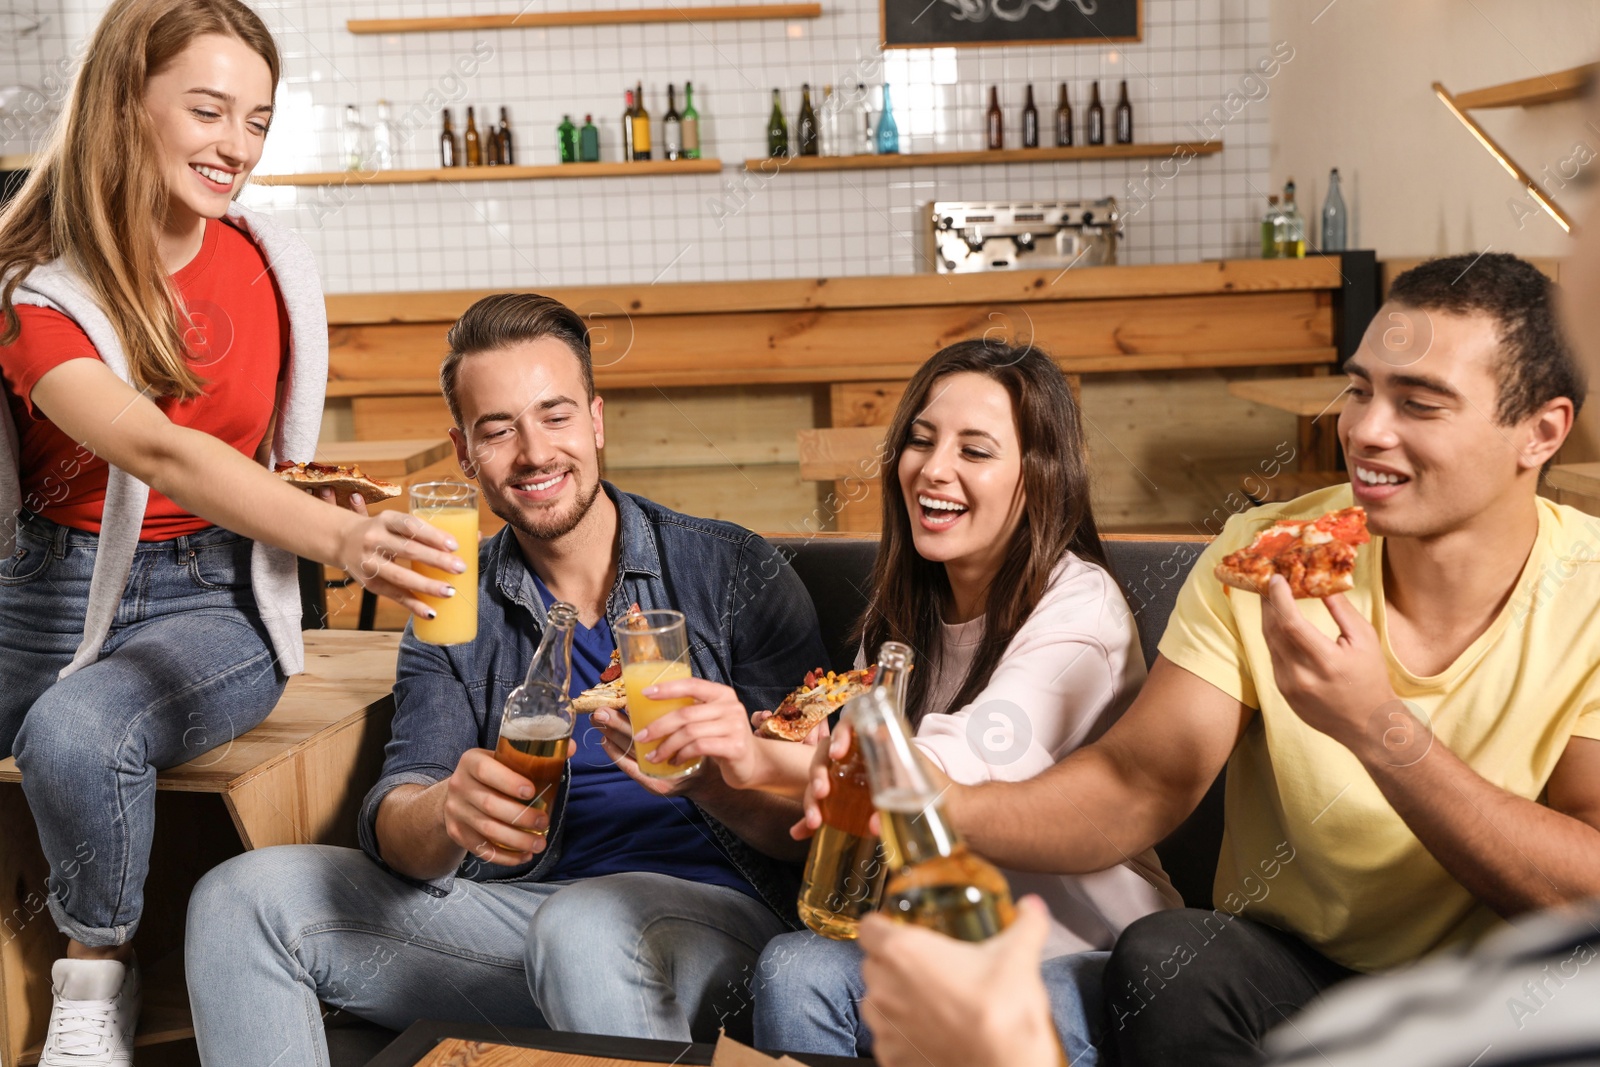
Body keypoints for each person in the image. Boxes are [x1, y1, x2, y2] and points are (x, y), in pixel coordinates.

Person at [853, 252, 1600, 1067]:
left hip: (1502, 987)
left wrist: (1377, 725)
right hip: (1294, 966)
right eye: (1360, 390)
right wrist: (928, 800)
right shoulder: (1268, 553)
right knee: (1168, 954)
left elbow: (1585, 888)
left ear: (1542, 431)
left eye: (1418, 403)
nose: (1364, 429)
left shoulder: (1590, 597)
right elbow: (1139, 784)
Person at [184, 292, 831, 1065]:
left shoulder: (730, 568)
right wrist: (446, 814)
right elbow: (400, 810)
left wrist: (708, 781)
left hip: (719, 932)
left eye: (555, 416)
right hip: (526, 924)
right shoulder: (454, 601)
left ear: (595, 420)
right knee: (240, 900)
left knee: (585, 926)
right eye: (498, 429)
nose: (533, 453)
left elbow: (816, 835)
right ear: (464, 453)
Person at [0, 1, 459, 1062]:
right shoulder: (36, 289)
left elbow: (245, 462)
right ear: (125, 102)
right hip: (42, 596)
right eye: (208, 111)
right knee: (63, 722)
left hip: (216, 599)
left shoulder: (271, 261)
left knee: (77, 732)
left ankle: (93, 975)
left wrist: (318, 509)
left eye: (256, 119)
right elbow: (151, 448)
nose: (236, 148)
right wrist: (334, 540)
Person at [639, 339, 1179, 1063]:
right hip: (943, 941)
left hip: (1083, 954)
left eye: (975, 450)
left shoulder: (1081, 610)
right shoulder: (897, 626)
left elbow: (931, 775)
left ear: (1040, 477)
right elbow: (852, 820)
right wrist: (713, 770)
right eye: (921, 440)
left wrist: (757, 751)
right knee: (796, 966)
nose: (934, 467)